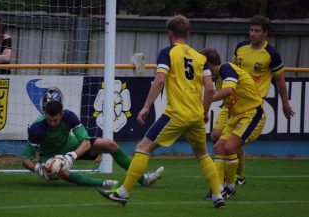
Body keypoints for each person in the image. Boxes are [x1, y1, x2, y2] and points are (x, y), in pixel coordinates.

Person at [97, 15, 225, 208]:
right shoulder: (201, 58)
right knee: (203, 155)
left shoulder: (168, 53)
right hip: (195, 116)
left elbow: (159, 80)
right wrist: (204, 112)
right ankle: (218, 196)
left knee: (143, 148)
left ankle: (122, 193)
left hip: (176, 114)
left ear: (169, 34)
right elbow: (210, 88)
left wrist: (147, 106)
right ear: (188, 34)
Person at [211, 15, 295, 185]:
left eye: (257, 31)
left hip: (250, 103)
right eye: (251, 30)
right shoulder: (241, 48)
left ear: (265, 33)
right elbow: (232, 71)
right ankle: (230, 173)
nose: (253, 34)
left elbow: (280, 80)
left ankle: (236, 177)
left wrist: (285, 103)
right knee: (216, 136)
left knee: (229, 145)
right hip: (232, 100)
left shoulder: (271, 54)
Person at [23, 87, 164, 188]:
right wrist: (37, 168)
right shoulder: (36, 129)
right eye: (49, 120)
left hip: (70, 146)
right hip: (49, 155)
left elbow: (85, 142)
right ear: (45, 114)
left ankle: (143, 179)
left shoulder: (69, 116)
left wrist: (70, 156)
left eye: (56, 120)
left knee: (110, 145)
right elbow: (26, 160)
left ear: (61, 115)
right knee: (61, 171)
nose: (53, 123)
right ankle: (102, 183)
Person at [202, 48, 267, 199]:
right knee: (218, 146)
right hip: (235, 116)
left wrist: (206, 101)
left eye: (202, 65)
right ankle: (217, 189)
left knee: (229, 147)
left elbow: (228, 91)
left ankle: (230, 188)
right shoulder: (217, 77)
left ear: (209, 63)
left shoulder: (225, 67)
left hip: (252, 113)